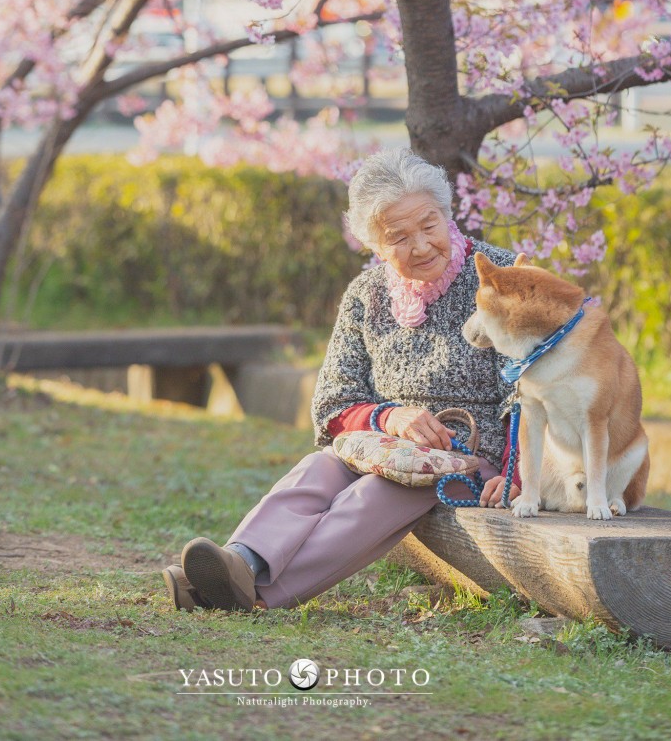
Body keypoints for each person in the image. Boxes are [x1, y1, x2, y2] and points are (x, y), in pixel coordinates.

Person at [163, 147, 519, 612]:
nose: (421, 246)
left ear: (446, 213)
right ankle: (241, 562)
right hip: (382, 442)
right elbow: (334, 402)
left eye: (429, 226)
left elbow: (527, 389)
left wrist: (516, 474)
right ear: (375, 245)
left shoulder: (500, 276)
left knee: (377, 493)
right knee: (316, 471)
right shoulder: (366, 294)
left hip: (471, 453)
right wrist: (391, 417)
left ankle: (241, 597)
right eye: (399, 237)